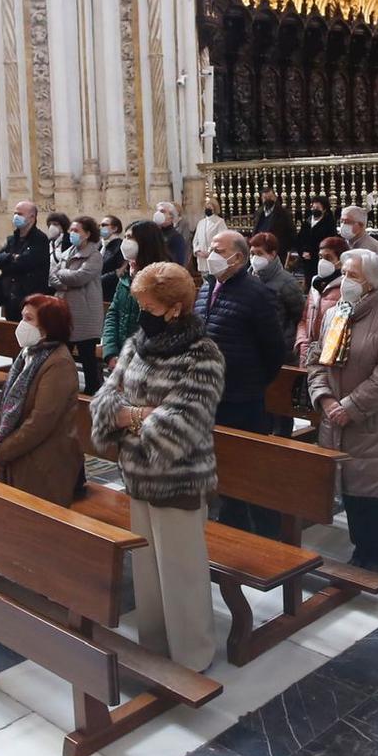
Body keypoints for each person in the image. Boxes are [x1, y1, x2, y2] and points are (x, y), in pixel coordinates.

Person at [91, 262, 224, 672]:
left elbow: (182, 423)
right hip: (137, 475)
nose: (141, 313)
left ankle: (191, 657)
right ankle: (155, 647)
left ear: (175, 308)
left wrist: (129, 418)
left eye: (148, 305)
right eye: (140, 304)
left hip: (179, 478)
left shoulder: (203, 355)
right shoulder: (136, 345)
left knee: (181, 573)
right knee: (148, 571)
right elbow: (103, 401)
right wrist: (139, 415)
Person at [305, 247, 378, 572]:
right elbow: (316, 361)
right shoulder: (335, 313)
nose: (344, 280)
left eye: (352, 275)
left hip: (375, 423)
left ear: (372, 281)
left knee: (376, 495)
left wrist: (350, 407)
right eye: (344, 273)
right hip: (335, 419)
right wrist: (325, 399)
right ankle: (361, 551)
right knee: (352, 492)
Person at [196, 229, 288, 535]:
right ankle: (231, 523)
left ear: (238, 256)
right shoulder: (208, 287)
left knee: (249, 469)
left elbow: (274, 350)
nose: (212, 256)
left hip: (242, 397)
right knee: (221, 465)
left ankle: (265, 532)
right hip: (210, 395)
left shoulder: (256, 293)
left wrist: (253, 382)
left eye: (218, 251)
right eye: (211, 249)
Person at [0, 293, 84, 504]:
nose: (21, 324)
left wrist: (3, 450)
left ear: (48, 325)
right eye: (22, 317)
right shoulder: (28, 354)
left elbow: (41, 421)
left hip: (44, 462)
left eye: (28, 319)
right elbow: (5, 403)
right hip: (17, 454)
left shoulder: (59, 363)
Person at [103, 220, 169, 370]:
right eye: (125, 237)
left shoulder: (163, 277)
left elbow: (161, 325)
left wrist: (134, 357)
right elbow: (113, 313)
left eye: (130, 237)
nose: (126, 242)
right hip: (121, 356)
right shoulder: (126, 276)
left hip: (148, 361)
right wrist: (111, 351)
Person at [55, 216, 106, 392]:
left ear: (88, 234)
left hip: (85, 313)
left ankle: (92, 391)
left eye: (77, 231)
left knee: (87, 358)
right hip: (64, 311)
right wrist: (64, 278)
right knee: (62, 356)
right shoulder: (66, 252)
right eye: (71, 230)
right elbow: (51, 276)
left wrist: (62, 275)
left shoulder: (94, 255)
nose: (72, 234)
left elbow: (80, 277)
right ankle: (65, 389)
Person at [0, 201, 51, 320]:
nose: (16, 217)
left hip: (30, 296)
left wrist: (9, 261)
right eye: (15, 213)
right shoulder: (12, 239)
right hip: (10, 296)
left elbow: (26, 263)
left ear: (32, 217)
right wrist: (11, 258)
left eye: (20, 214)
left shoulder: (39, 239)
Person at [250, 231, 305, 355]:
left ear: (272, 254)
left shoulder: (287, 282)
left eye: (259, 253)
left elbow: (299, 315)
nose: (254, 258)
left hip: (278, 347)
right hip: (253, 346)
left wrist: (286, 338)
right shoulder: (248, 277)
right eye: (252, 254)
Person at [296, 234, 349, 362]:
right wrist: (302, 343)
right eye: (320, 257)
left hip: (328, 356)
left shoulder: (345, 288)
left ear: (340, 261)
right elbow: (304, 319)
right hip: (307, 353)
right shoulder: (315, 285)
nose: (322, 262)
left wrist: (323, 353)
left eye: (328, 258)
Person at [335, 205, 378, 299]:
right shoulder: (343, 244)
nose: (343, 225)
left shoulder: (372, 248)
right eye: (341, 221)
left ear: (361, 225)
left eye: (347, 222)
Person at [292, 196, 335, 271]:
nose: (315, 209)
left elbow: (329, 242)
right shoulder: (307, 222)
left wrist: (313, 254)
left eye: (317, 208)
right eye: (313, 207)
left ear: (324, 209)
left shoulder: (329, 223)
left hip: (321, 260)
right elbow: (300, 239)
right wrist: (302, 252)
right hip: (305, 260)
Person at [153, 201, 190, 266]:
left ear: (171, 217)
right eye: (158, 211)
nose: (158, 214)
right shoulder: (153, 234)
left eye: (162, 211)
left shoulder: (176, 237)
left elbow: (178, 264)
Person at [191, 196, 228, 260]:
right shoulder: (201, 223)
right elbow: (195, 240)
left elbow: (222, 239)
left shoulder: (219, 222)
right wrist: (197, 251)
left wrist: (210, 251)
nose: (207, 208)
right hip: (201, 257)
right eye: (206, 207)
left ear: (214, 208)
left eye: (210, 207)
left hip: (214, 256)